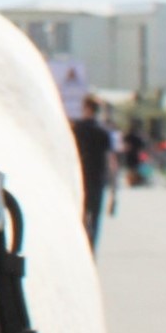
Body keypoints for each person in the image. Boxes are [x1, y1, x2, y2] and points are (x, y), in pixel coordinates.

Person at [71, 103, 116, 246]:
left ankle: (80, 246)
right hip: (98, 178)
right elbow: (111, 161)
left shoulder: (76, 129)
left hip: (80, 178)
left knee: (80, 214)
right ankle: (92, 248)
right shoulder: (104, 132)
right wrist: (114, 189)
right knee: (95, 217)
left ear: (86, 109)